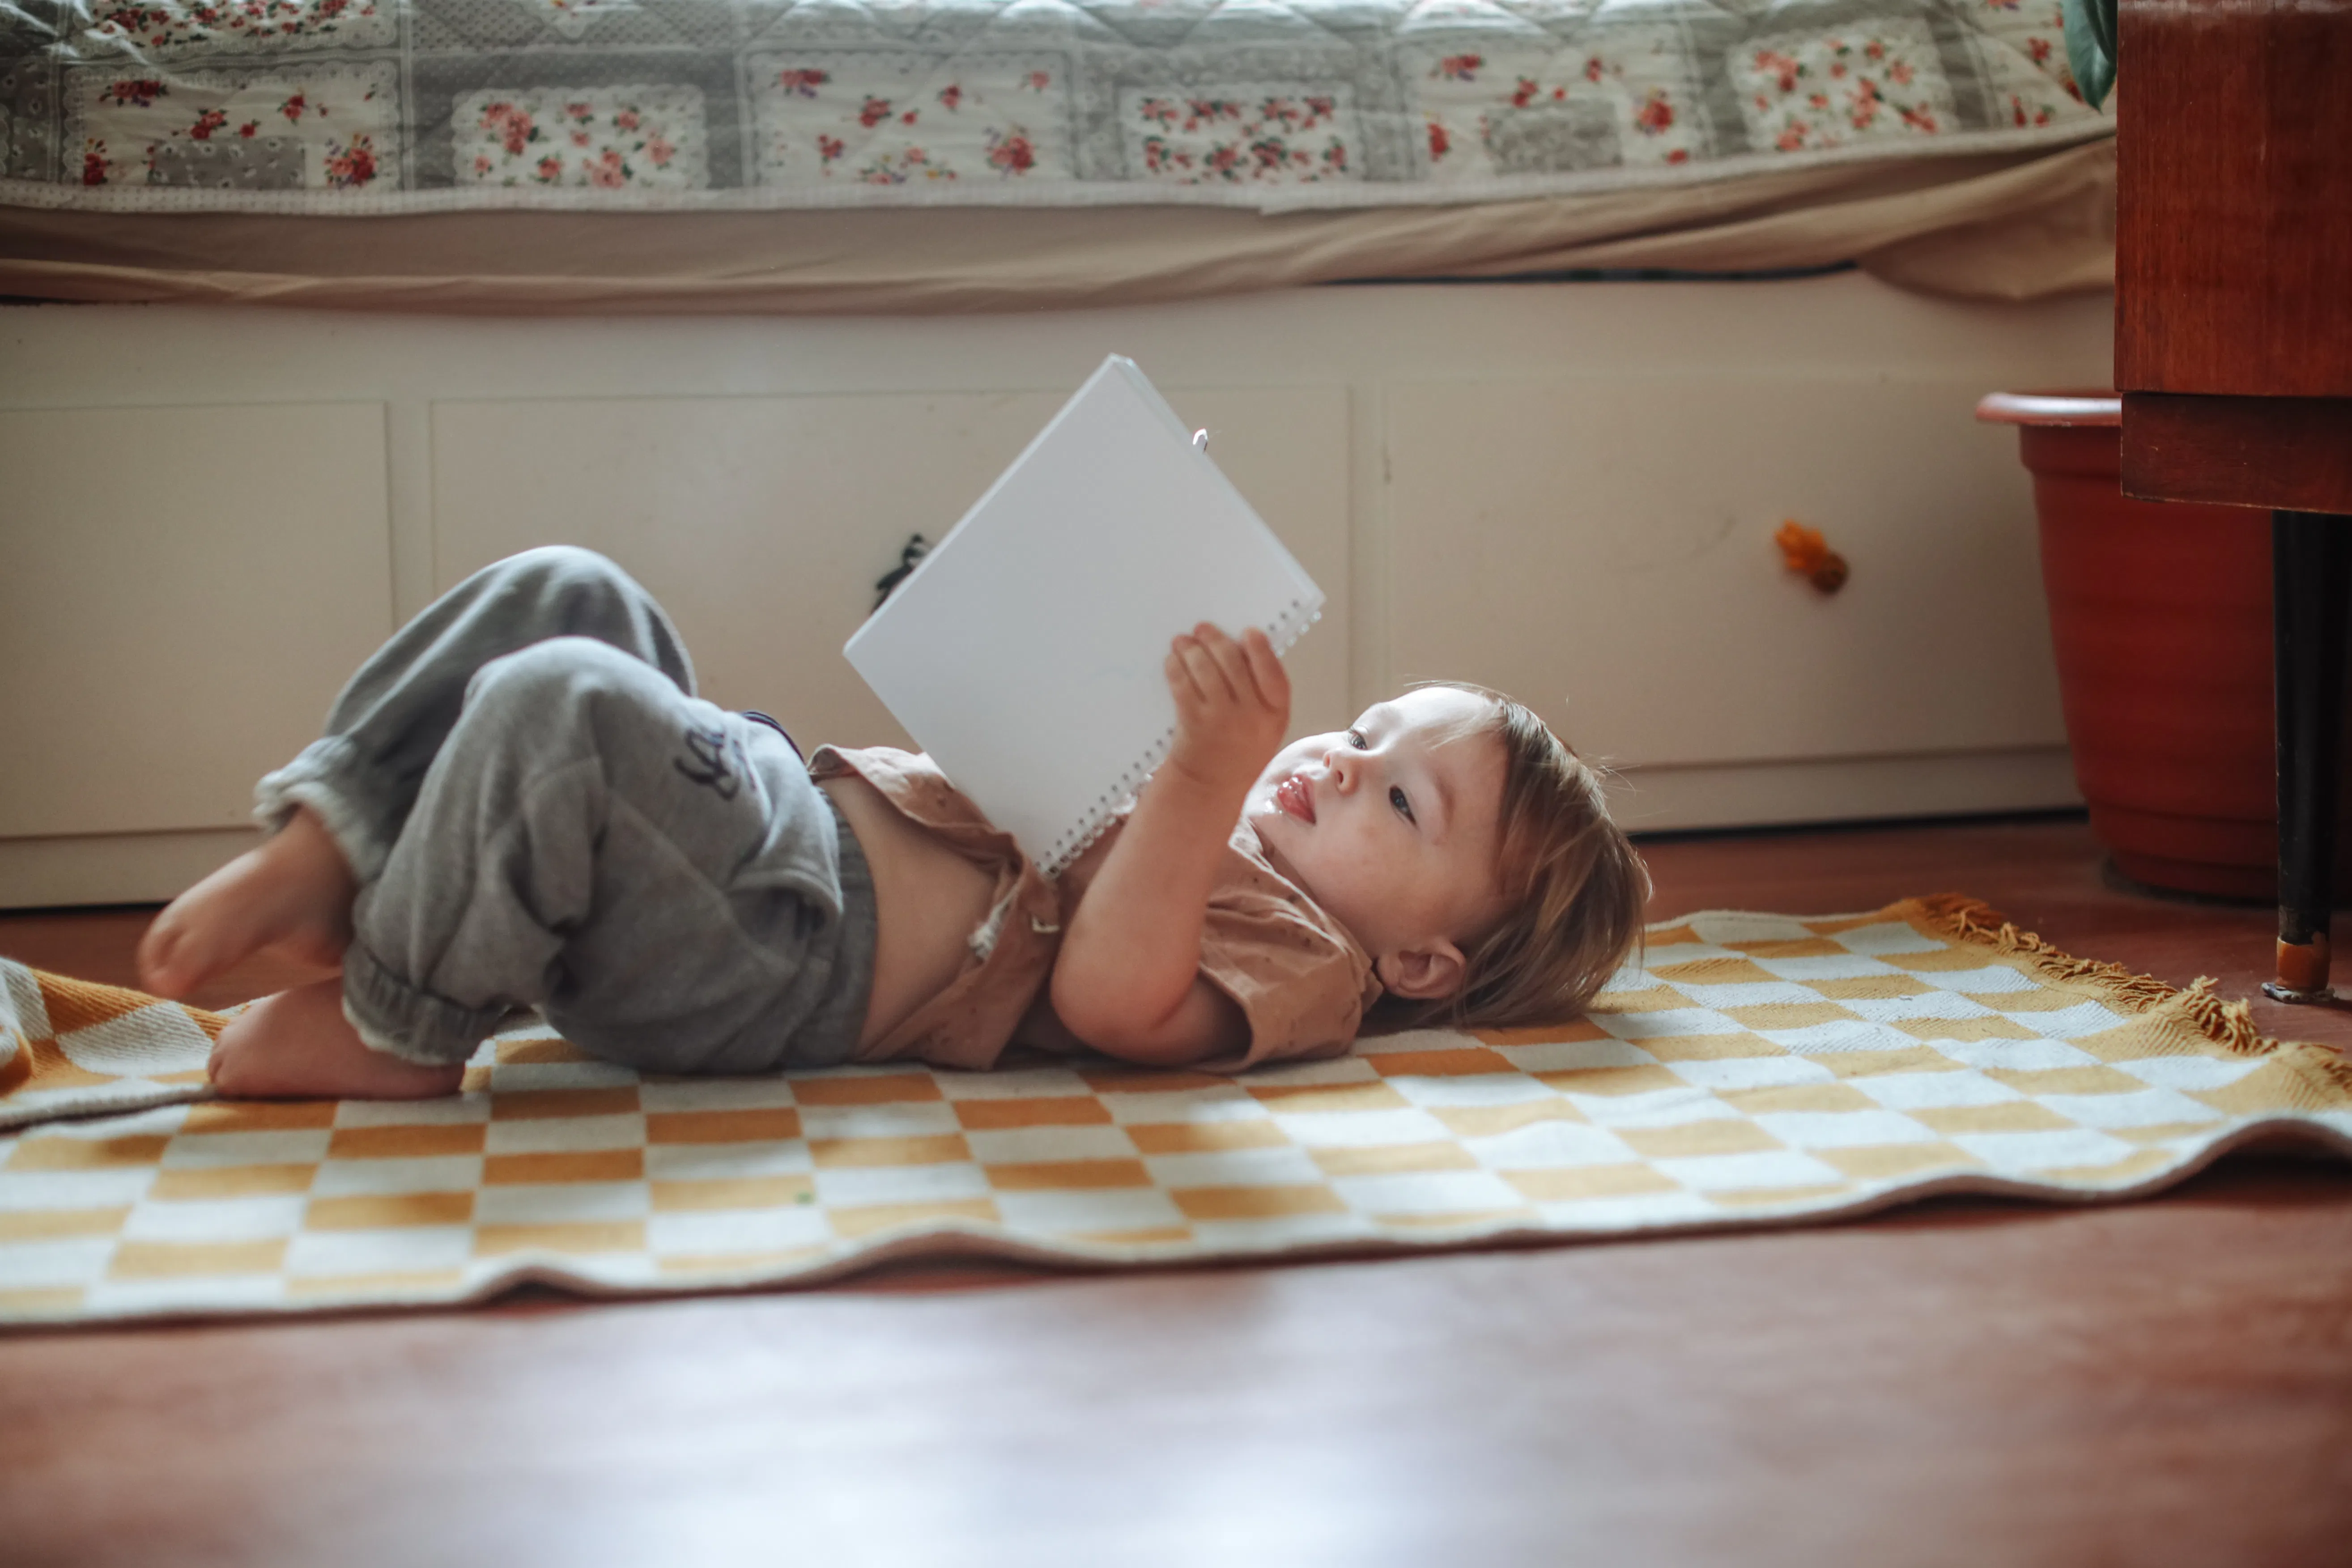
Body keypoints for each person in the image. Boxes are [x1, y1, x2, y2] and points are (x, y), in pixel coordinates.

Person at [138, 548, 1647, 1098]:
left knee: (563, 701)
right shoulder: (1218, 819)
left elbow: (1112, 998)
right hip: (779, 812)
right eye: (1366, 728)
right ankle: (336, 838)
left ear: (1429, 966)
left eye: (1398, 796)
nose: (1335, 757)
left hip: (783, 955)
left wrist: (1194, 780)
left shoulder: (1309, 966)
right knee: (580, 594)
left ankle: (404, 1026)